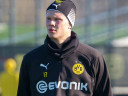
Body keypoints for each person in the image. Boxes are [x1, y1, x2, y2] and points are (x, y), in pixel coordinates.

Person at [17, 0, 113, 96]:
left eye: (57, 19)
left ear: (70, 24)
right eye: (48, 18)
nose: (51, 23)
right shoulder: (31, 59)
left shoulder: (92, 58)